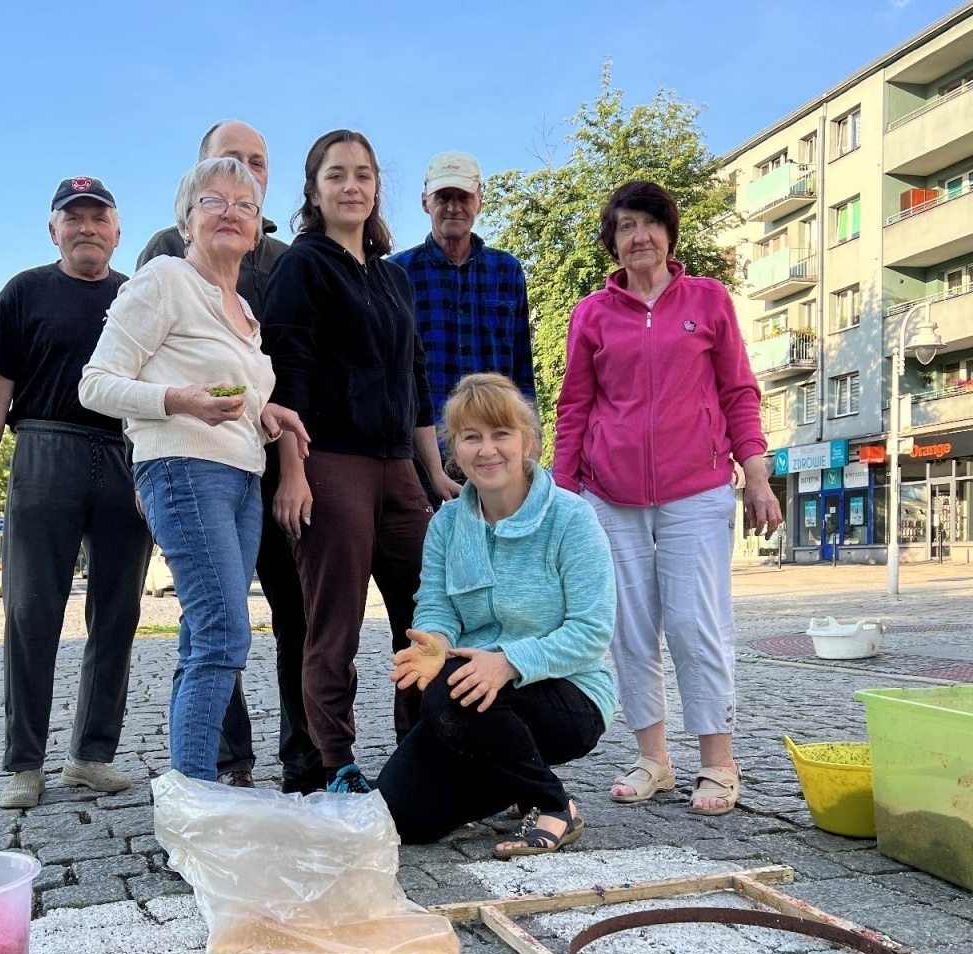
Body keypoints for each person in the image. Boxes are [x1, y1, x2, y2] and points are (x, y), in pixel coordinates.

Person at [552, 180, 782, 817]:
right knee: (629, 629)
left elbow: (739, 392)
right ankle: (653, 758)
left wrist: (757, 475)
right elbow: (575, 408)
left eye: (649, 223)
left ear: (669, 233)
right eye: (625, 226)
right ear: (614, 243)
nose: (639, 236)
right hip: (609, 495)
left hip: (697, 489)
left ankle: (719, 763)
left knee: (693, 623)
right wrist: (563, 495)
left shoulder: (707, 301)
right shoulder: (591, 314)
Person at [80, 157, 309, 781]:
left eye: (245, 204)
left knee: (203, 636)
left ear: (258, 229)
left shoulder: (243, 313)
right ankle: (196, 796)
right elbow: (95, 384)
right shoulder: (165, 280)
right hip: (183, 469)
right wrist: (179, 400)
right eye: (214, 201)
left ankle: (190, 789)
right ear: (187, 219)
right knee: (225, 634)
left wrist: (270, 412)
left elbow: (237, 396)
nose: (231, 211)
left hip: (241, 479)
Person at [264, 129, 457, 794]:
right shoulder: (303, 264)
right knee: (335, 620)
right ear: (314, 191)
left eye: (364, 175)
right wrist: (292, 470)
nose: (352, 186)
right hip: (330, 461)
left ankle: (419, 746)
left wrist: (433, 473)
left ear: (377, 189)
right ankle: (334, 760)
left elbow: (416, 380)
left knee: (427, 611)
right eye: (337, 175)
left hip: (398, 468)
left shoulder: (394, 277)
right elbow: (287, 373)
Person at [136, 120, 321, 793]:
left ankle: (292, 764)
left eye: (256, 166)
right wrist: (151, 453)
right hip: (194, 466)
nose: (243, 181)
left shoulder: (274, 270)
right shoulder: (166, 259)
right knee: (217, 626)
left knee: (272, 619)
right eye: (227, 167)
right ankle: (212, 775)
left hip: (261, 466)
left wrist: (284, 444)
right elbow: (124, 372)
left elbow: (274, 377)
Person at [0, 177, 153, 810]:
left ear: (117, 230)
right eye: (73, 218)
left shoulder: (138, 295)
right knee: (29, 611)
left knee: (119, 611)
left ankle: (91, 755)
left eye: (98, 217)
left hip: (125, 453)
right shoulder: (24, 291)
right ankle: (23, 763)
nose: (86, 227)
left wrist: (151, 470)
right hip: (45, 449)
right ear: (54, 230)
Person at [378, 374, 615, 857]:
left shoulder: (572, 519)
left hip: (567, 695)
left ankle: (552, 805)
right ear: (455, 450)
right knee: (400, 816)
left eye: (500, 434)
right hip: (474, 702)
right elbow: (437, 606)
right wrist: (436, 644)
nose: (487, 450)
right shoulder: (446, 523)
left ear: (527, 440)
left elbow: (591, 632)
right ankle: (517, 778)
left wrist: (507, 662)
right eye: (471, 437)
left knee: (449, 690)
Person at [390, 150, 536, 496]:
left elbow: (521, 366)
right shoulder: (396, 273)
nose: (453, 207)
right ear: (425, 201)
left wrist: (532, 445)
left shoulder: (507, 271)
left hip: (495, 452)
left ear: (480, 201)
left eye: (463, 197)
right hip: (419, 458)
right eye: (443, 197)